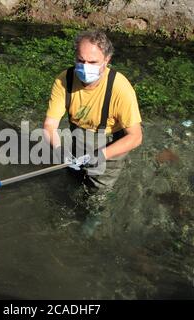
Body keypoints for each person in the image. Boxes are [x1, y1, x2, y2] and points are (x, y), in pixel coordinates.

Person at [43, 30, 143, 236]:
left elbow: (135, 137)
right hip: (77, 139)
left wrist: (101, 155)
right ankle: (69, 204)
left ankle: (94, 215)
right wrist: (60, 151)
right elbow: (50, 126)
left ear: (107, 60)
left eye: (92, 62)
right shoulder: (64, 81)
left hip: (109, 145)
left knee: (99, 190)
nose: (85, 67)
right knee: (73, 178)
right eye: (81, 60)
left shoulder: (120, 89)